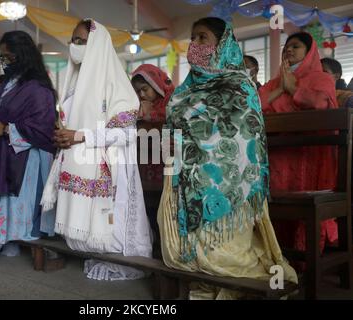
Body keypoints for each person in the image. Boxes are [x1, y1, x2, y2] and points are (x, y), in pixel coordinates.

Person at [158, 17, 297, 299]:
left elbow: (246, 132)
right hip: (182, 174)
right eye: (193, 38)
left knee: (230, 258)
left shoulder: (239, 85)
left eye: (203, 38)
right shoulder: (185, 90)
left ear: (222, 46)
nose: (195, 45)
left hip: (228, 177)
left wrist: (193, 140)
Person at [41, 19, 152, 280]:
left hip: (107, 162)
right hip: (78, 157)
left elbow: (125, 133)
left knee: (108, 224)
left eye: (81, 41)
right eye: (73, 41)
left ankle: (116, 255)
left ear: (98, 44)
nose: (74, 46)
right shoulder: (74, 82)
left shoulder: (116, 82)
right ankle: (90, 250)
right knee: (85, 232)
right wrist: (63, 136)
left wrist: (78, 136)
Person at [259, 32, 338, 255]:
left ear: (309, 51)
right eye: (286, 48)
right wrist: (281, 88)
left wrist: (294, 89)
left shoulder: (321, 78)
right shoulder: (274, 82)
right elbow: (255, 106)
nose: (289, 51)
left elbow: (321, 104)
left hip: (309, 155)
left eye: (295, 46)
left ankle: (301, 261)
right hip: (276, 155)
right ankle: (275, 256)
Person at [0, 30, 56, 256]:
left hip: (27, 155)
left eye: (8, 57)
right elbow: (0, 114)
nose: (4, 62)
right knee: (5, 199)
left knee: (20, 199)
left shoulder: (38, 87)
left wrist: (5, 128)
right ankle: (6, 239)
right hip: (4, 149)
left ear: (22, 55)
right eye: (1, 57)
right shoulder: (7, 83)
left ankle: (22, 239)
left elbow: (42, 125)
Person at [131, 64, 175, 257]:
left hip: (167, 168)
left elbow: (173, 137)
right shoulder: (134, 107)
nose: (141, 94)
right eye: (137, 90)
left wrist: (148, 117)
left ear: (156, 86)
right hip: (143, 168)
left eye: (145, 89)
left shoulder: (172, 102)